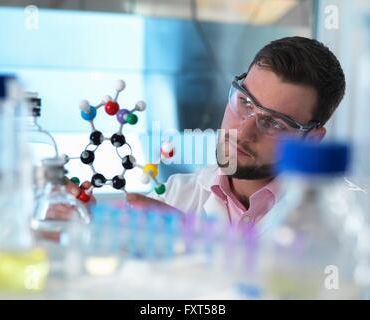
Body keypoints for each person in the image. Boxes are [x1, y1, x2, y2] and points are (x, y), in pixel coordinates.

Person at [67, 36, 346, 230]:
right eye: (245, 102)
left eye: (274, 123)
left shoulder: (327, 227)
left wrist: (192, 239)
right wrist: (84, 226)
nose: (244, 130)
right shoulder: (178, 194)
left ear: (312, 140)